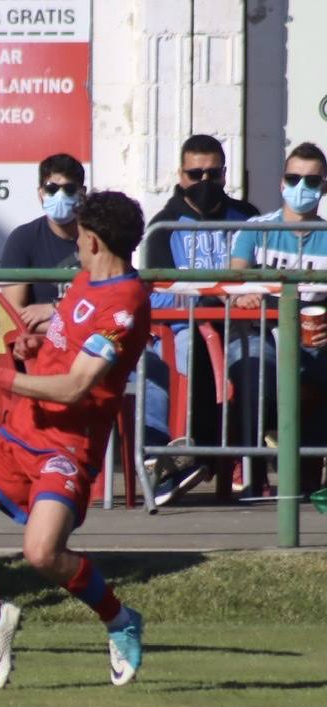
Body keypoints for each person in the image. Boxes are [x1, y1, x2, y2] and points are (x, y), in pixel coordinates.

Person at [0, 191, 150, 690]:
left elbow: (76, 386)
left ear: (92, 239)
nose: (76, 243)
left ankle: (119, 618)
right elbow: (65, 347)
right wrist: (34, 343)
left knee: (42, 553)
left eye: (81, 236)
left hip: (66, 448)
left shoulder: (126, 305)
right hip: (20, 431)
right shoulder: (87, 279)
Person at [142, 134, 258, 505]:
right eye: (195, 174)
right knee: (197, 358)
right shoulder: (163, 225)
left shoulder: (249, 217)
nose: (205, 183)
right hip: (186, 328)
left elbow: (264, 277)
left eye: (213, 174)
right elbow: (157, 292)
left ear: (225, 174)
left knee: (262, 367)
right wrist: (215, 294)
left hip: (245, 327)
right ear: (180, 174)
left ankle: (249, 460)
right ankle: (195, 458)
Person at [229, 141, 327, 496]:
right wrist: (244, 293)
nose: (302, 188)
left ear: (324, 186)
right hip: (257, 333)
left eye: (312, 181)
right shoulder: (257, 228)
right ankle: (255, 476)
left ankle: (306, 478)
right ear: (282, 182)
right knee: (257, 373)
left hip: (311, 341)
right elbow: (233, 277)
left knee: (319, 375)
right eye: (294, 178)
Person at [0, 153, 86, 332]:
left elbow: (107, 303)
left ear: (81, 194)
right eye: (52, 189)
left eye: (69, 189)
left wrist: (54, 310)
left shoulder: (98, 238)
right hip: (40, 349)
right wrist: (72, 327)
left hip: (88, 348)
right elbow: (12, 315)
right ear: (40, 194)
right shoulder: (23, 239)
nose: (60, 196)